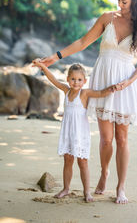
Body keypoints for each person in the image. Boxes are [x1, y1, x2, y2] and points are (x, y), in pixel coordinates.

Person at [33, 0, 137, 204]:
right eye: (118, 0)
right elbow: (82, 42)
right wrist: (55, 57)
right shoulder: (107, 18)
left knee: (122, 138)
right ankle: (105, 173)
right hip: (102, 78)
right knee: (106, 139)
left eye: (124, 1)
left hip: (125, 84)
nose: (120, 5)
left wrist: (129, 82)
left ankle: (121, 188)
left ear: (136, 1)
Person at [32, 60, 117, 202]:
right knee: (67, 161)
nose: (76, 82)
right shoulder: (66, 91)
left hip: (80, 134)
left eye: (79, 80)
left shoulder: (84, 94)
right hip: (67, 133)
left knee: (82, 162)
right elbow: (53, 79)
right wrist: (42, 67)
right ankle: (66, 189)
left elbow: (101, 93)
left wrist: (112, 88)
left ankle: (86, 192)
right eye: (73, 79)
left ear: (84, 81)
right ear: (68, 79)